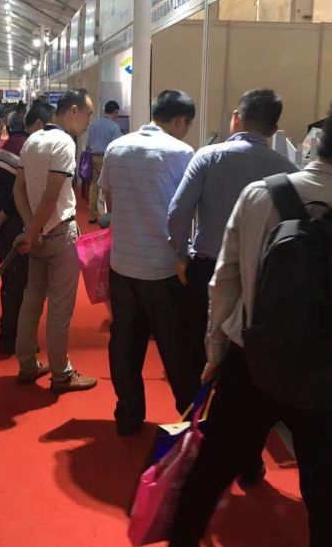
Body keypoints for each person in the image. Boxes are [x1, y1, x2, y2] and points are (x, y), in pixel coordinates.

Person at [168, 112, 332, 547]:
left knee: (210, 473)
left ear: (317, 145)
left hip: (253, 359)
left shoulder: (262, 194)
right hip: (326, 372)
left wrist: (215, 354)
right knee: (325, 491)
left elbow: (225, 282)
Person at [168, 89, 298, 485]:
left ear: (236, 119)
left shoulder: (208, 157)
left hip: (206, 270)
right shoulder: (285, 171)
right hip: (259, 284)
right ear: (274, 128)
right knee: (246, 372)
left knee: (198, 358)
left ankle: (195, 439)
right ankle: (248, 460)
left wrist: (179, 255)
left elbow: (177, 212)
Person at [99, 90, 198, 436]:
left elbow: (109, 200)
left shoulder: (117, 147)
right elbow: (188, 209)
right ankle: (189, 421)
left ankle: (128, 415)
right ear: (180, 120)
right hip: (164, 267)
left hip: (123, 263)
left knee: (125, 344)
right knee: (177, 349)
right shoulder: (182, 152)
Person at [12, 88, 97, 393]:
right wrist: (33, 230)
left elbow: (19, 189)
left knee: (32, 301)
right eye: (88, 113)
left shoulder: (33, 139)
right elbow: (51, 197)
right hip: (60, 233)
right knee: (60, 309)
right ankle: (61, 374)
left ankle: (27, 362)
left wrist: (30, 228)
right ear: (73, 111)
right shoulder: (64, 143)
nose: (89, 121)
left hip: (38, 236)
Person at [0, 102, 56, 356]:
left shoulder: (10, 144)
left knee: (10, 280)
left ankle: (11, 334)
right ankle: (11, 338)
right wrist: (2, 215)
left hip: (1, 223)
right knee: (20, 284)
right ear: (38, 125)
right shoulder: (30, 150)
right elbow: (21, 193)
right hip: (14, 223)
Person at [86, 100, 122, 224]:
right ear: (115, 112)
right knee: (109, 187)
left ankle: (92, 215)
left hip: (93, 157)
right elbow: (117, 147)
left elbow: (88, 143)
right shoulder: (114, 127)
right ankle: (109, 216)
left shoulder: (93, 125)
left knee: (94, 186)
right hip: (107, 158)